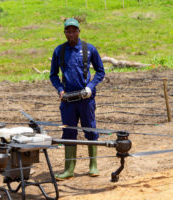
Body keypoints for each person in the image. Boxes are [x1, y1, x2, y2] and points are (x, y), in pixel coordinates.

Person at [50, 18, 105, 180]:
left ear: (79, 31)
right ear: (65, 33)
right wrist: (60, 90)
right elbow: (53, 75)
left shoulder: (89, 49)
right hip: (67, 101)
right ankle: (69, 169)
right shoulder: (59, 51)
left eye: (74, 30)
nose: (71, 33)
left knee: (90, 129)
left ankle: (93, 165)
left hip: (86, 98)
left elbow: (100, 71)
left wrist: (91, 87)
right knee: (68, 132)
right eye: (68, 31)